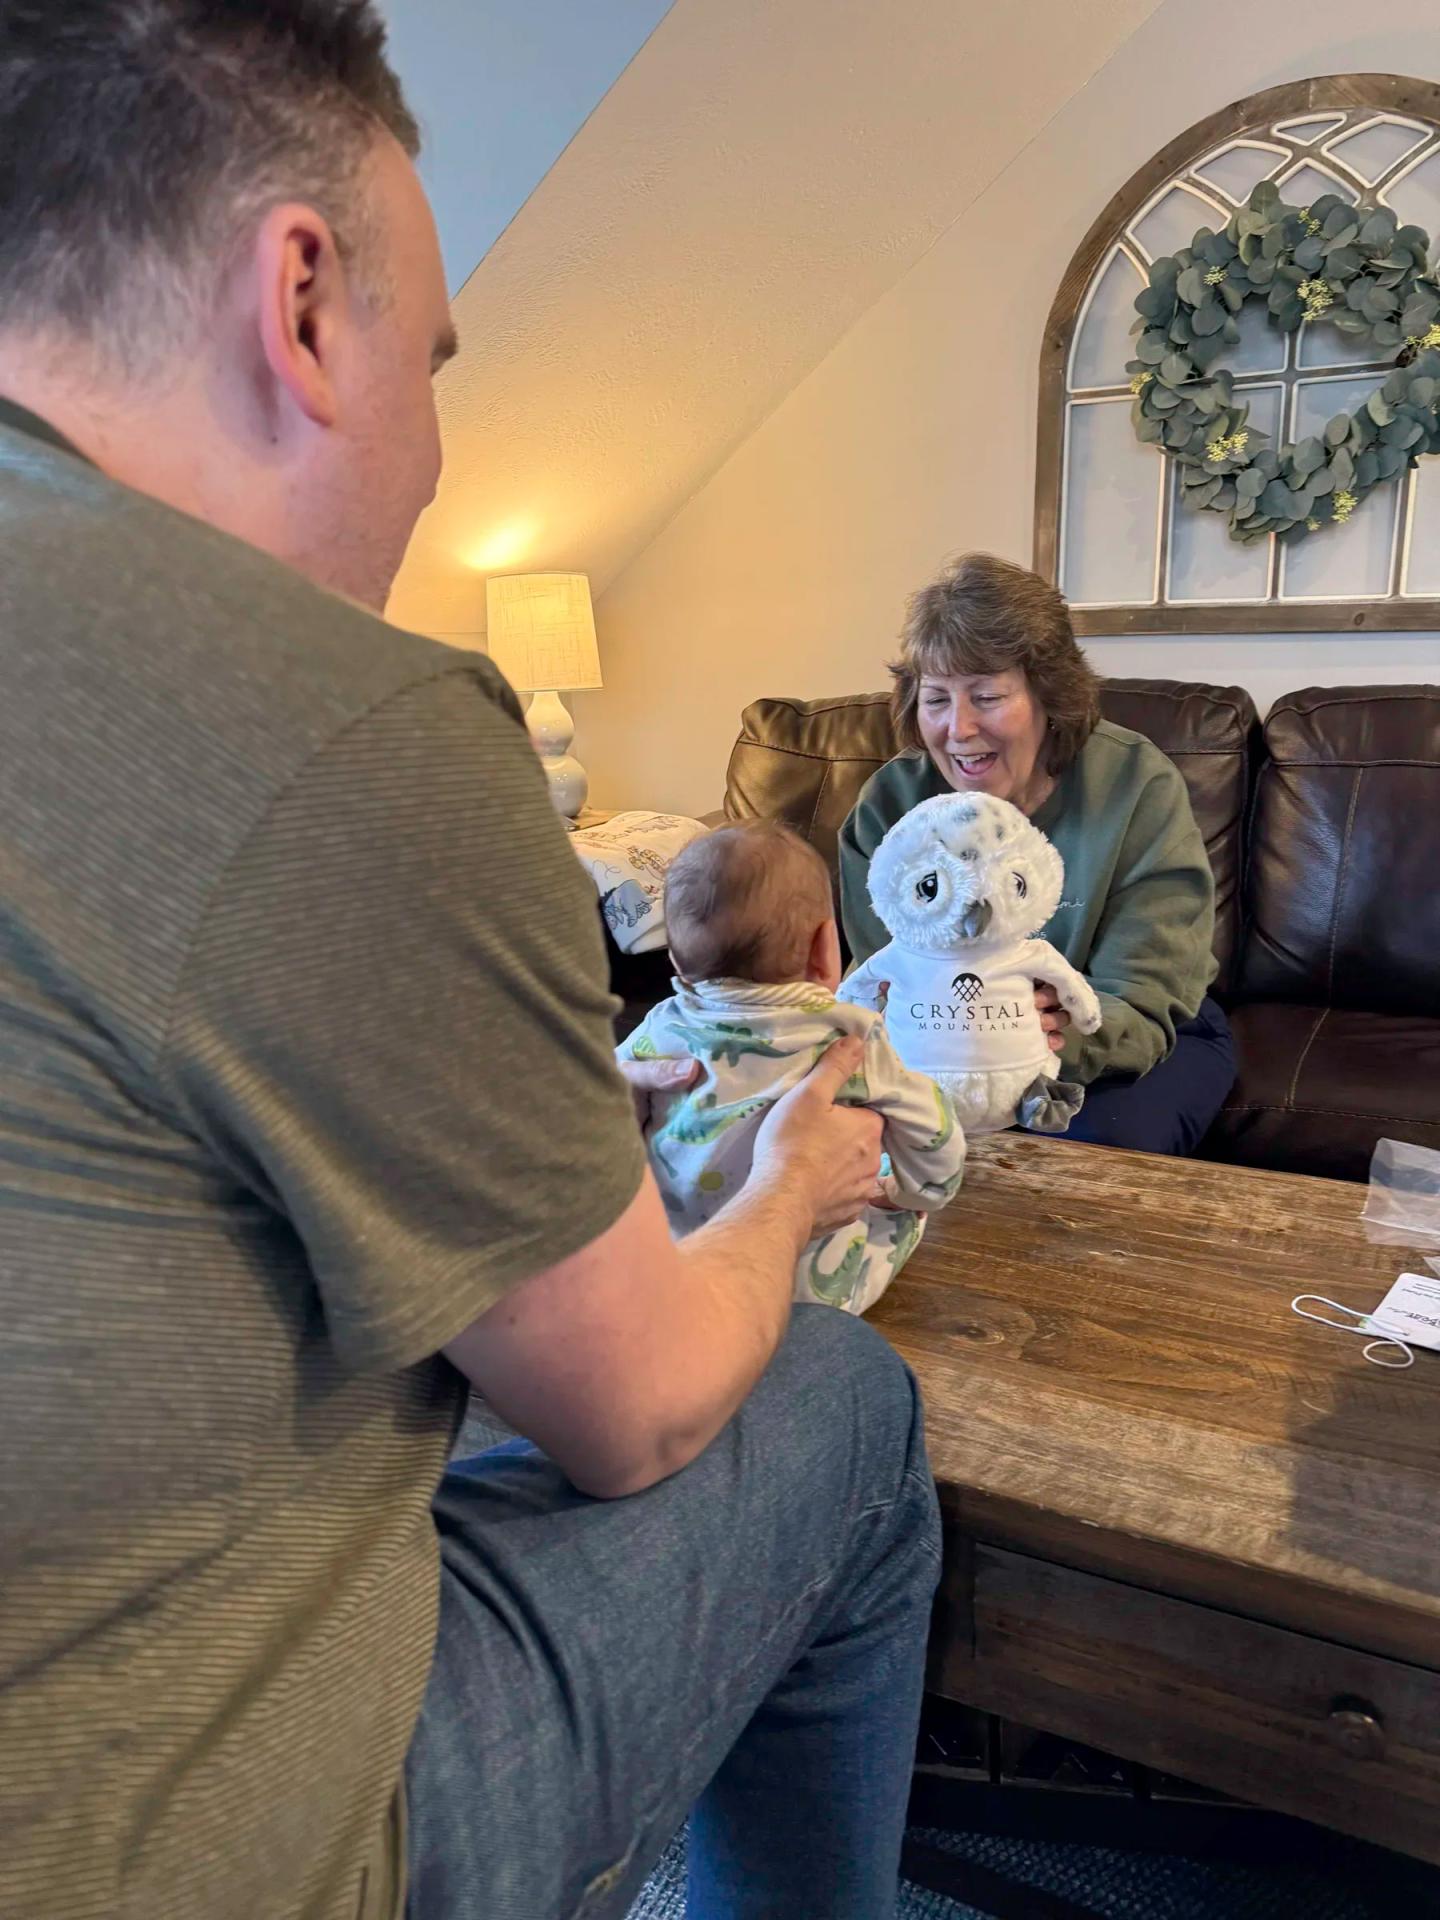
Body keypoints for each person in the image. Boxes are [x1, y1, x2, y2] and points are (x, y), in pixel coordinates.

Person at [0, 8, 940, 1919]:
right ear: (301, 301)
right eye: (432, 362)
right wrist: (784, 1188)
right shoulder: (352, 725)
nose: (434, 453)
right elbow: (637, 1408)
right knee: (841, 1398)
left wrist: (534, 1138)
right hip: (189, 1862)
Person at [839, 553, 1236, 1157]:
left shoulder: (1136, 785)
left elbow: (1144, 996)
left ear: (1052, 697)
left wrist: (1043, 1034)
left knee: (1089, 1153)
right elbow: (881, 978)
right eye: (936, 699)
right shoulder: (891, 803)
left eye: (987, 696)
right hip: (942, 1049)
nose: (958, 729)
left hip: (1125, 1041)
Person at [617, 823, 966, 1315]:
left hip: (681, 1267)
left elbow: (602, 1092)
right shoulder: (848, 1034)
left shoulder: (660, 1026)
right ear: (826, 947)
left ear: (675, 959)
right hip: (807, 1294)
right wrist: (918, 1191)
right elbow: (929, 1126)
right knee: (900, 1210)